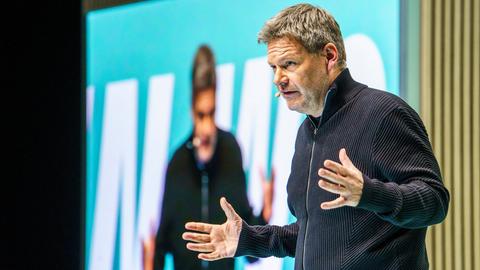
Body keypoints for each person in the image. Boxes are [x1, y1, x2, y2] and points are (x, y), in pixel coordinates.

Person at [182, 4, 450, 270]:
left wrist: (369, 193)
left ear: (329, 56)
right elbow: (310, 236)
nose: (278, 78)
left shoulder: (384, 114)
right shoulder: (306, 132)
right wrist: (248, 239)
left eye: (289, 64)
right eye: (273, 68)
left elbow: (434, 201)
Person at [148, 45, 274, 270]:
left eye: (212, 113)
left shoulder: (230, 150)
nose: (206, 128)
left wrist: (264, 215)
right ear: (191, 111)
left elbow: (250, 252)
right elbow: (161, 243)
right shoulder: (177, 163)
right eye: (200, 115)